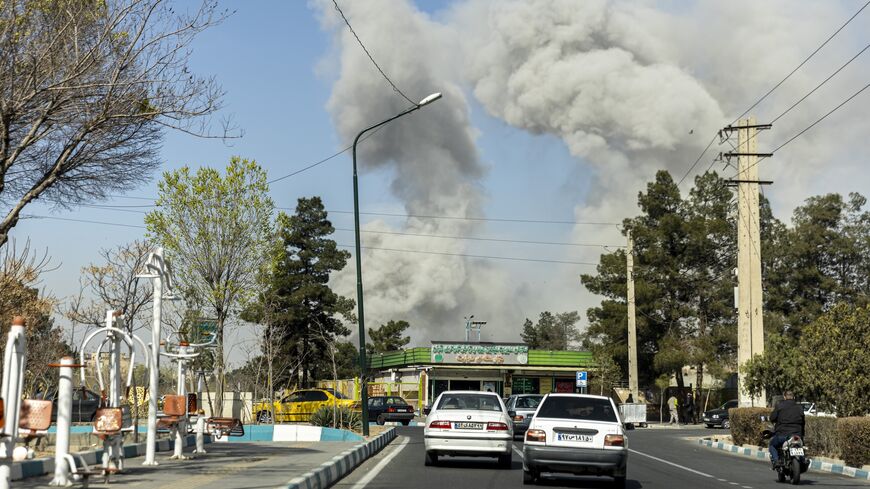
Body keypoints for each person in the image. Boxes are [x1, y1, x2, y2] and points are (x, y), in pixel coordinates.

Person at [768, 391, 805, 469]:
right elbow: (803, 422)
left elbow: (772, 418)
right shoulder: (799, 407)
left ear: (784, 397)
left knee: (772, 445)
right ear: (793, 397)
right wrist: (802, 434)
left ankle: (776, 460)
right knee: (801, 446)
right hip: (797, 434)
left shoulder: (780, 405)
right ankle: (803, 459)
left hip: (782, 434)